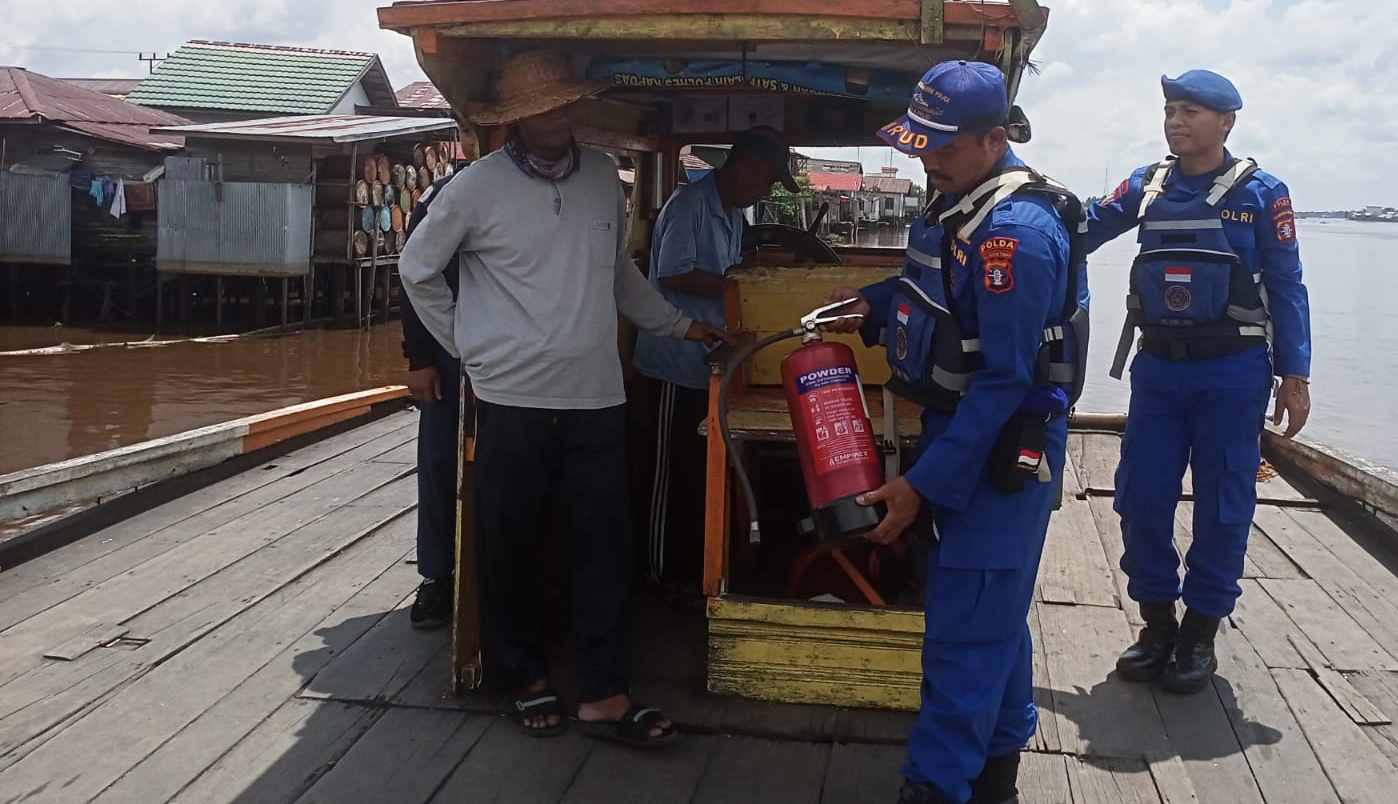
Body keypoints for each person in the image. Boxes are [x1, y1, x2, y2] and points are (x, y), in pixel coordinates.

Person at [400, 49, 726, 747]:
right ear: (516, 118)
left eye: (565, 102)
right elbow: (416, 268)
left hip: (596, 397)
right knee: (510, 543)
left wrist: (677, 323)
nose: (559, 115)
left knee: (605, 545)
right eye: (543, 107)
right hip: (509, 397)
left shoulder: (604, 177)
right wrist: (466, 347)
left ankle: (606, 692)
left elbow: (618, 278)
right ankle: (522, 677)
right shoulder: (476, 187)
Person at [821, 60, 1088, 804]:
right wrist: (871, 303)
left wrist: (920, 486)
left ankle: (936, 787)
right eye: (920, 145)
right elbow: (934, 291)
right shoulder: (957, 203)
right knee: (986, 616)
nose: (924, 160)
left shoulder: (1016, 235)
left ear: (994, 138)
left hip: (998, 447)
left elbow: (1005, 379)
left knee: (963, 636)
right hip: (955, 429)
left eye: (940, 149)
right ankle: (997, 779)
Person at [1085, 69, 1311, 693]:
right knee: (1141, 494)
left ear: (1227, 121)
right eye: (1170, 109)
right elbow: (1081, 229)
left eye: (1190, 111)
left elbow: (1288, 286)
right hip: (1157, 369)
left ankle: (1200, 632)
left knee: (1223, 502)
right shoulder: (1146, 186)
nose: (1176, 121)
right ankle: (1156, 623)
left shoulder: (1262, 193)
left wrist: (1296, 373)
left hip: (1234, 371)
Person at [633, 126, 798, 594]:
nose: (766, 191)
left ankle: (693, 568)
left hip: (708, 363)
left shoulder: (730, 213)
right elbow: (674, 271)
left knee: (698, 475)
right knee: (671, 475)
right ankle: (658, 575)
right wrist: (739, 285)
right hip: (673, 362)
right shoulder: (690, 206)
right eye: (767, 181)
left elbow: (732, 267)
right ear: (746, 167)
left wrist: (761, 270)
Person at [396, 119, 478, 629]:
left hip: (514, 352)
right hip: (449, 352)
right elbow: (413, 276)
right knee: (440, 460)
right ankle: (436, 575)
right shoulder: (441, 197)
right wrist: (419, 359)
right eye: (471, 130)